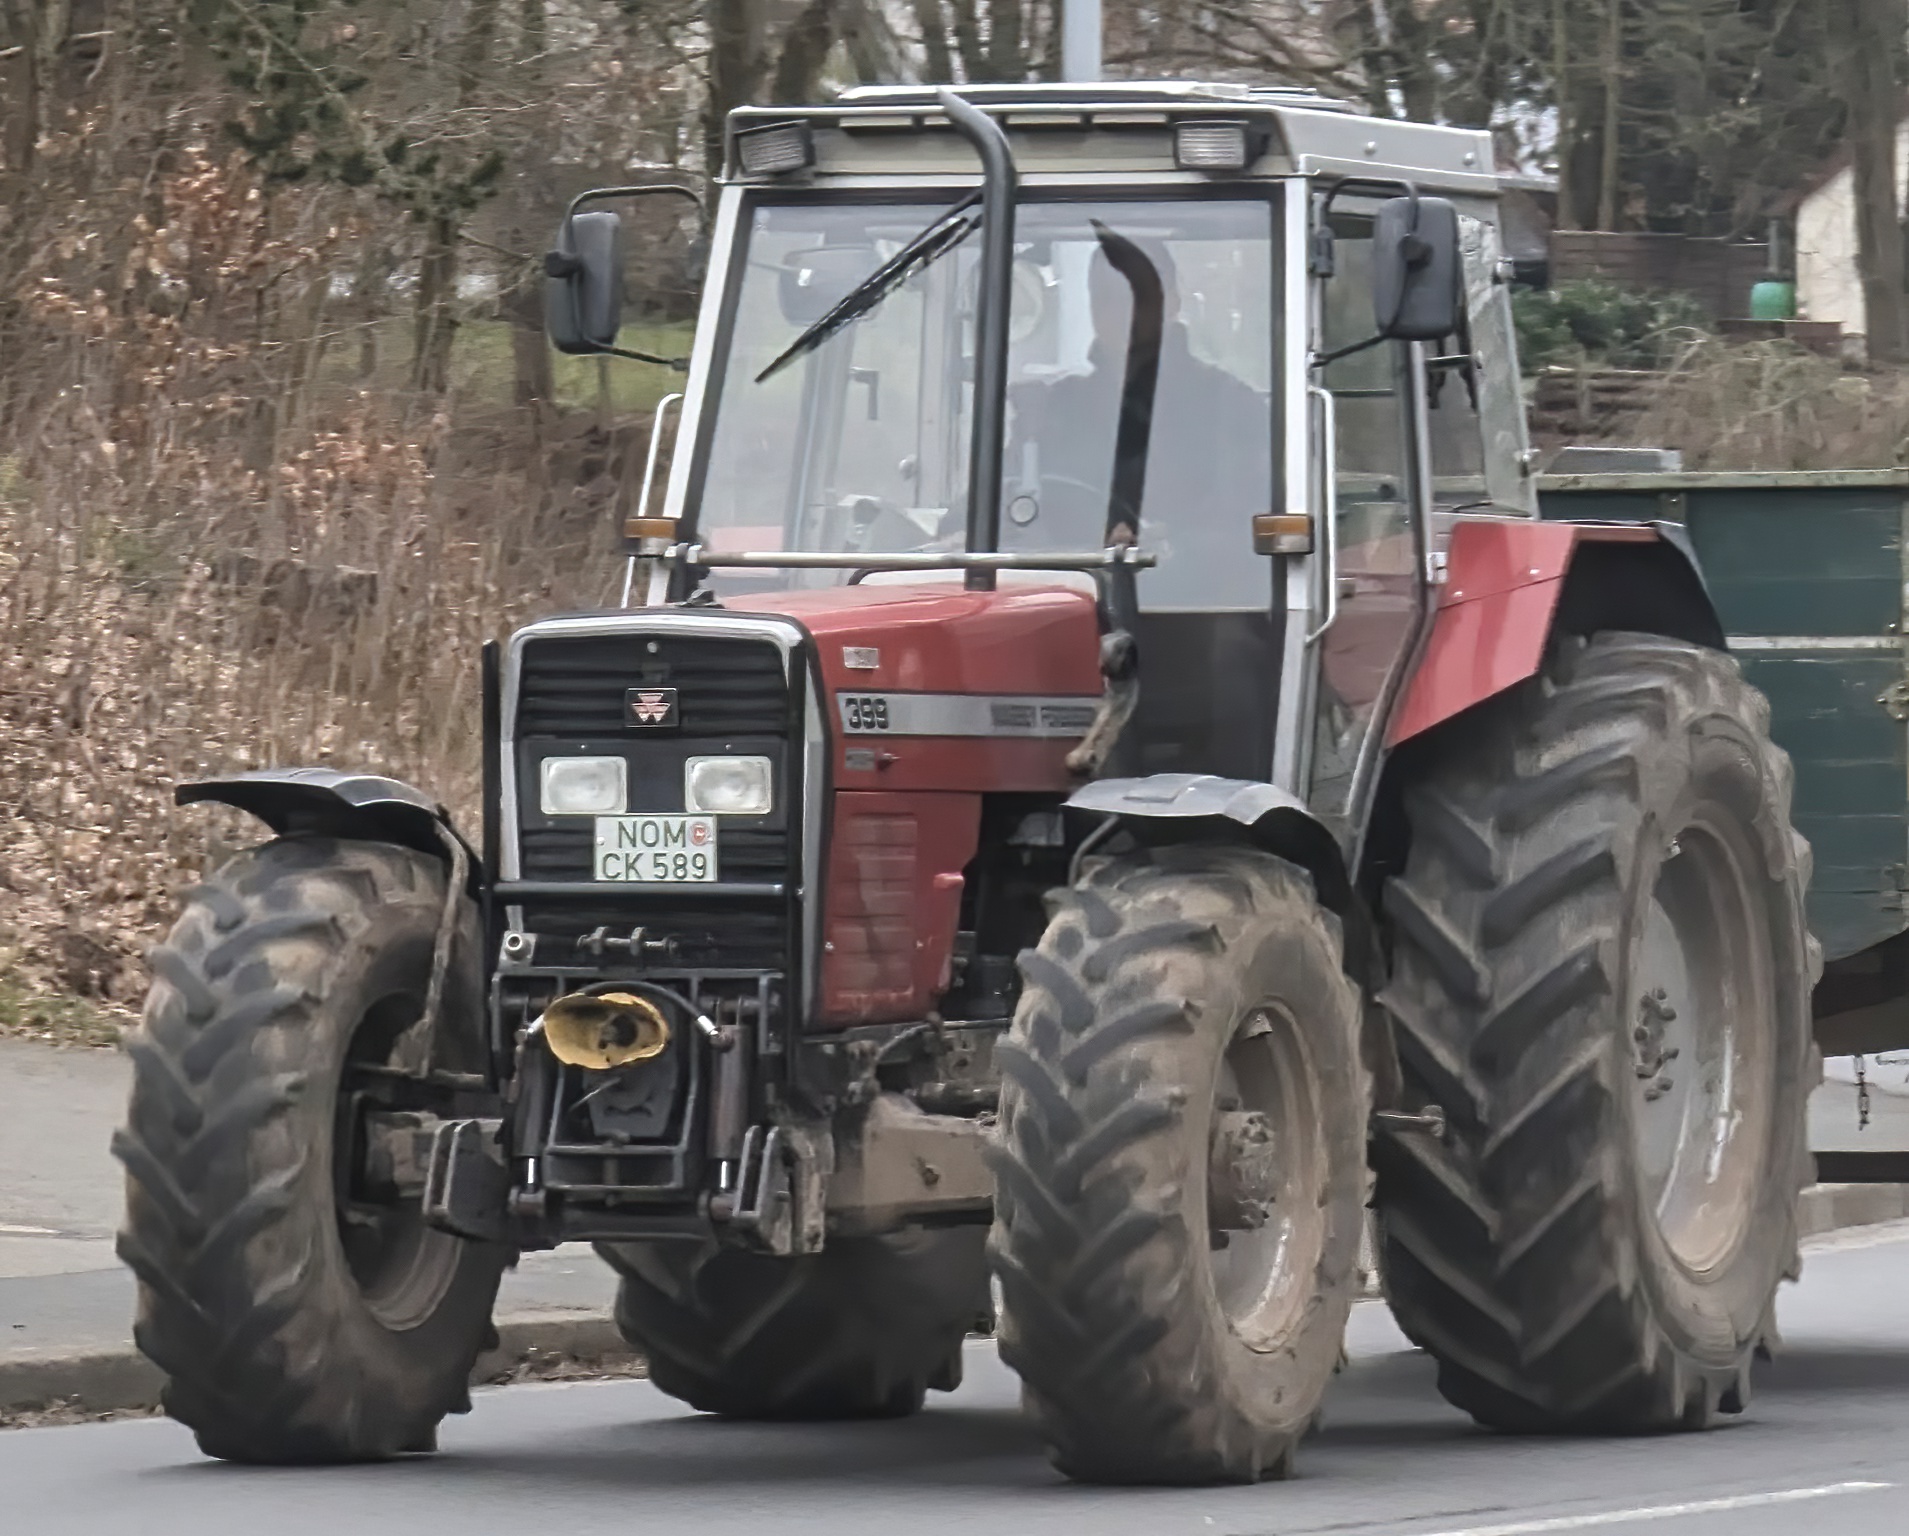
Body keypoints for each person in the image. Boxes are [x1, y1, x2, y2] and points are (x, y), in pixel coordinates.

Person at [1003, 238, 1273, 570]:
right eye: (1106, 299)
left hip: (1195, 594)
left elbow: (1250, 526)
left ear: (1171, 302)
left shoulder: (1230, 405)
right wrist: (960, 530)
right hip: (1073, 584)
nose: (1120, 313)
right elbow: (1006, 497)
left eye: (1136, 296)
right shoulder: (1056, 409)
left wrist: (1166, 543)